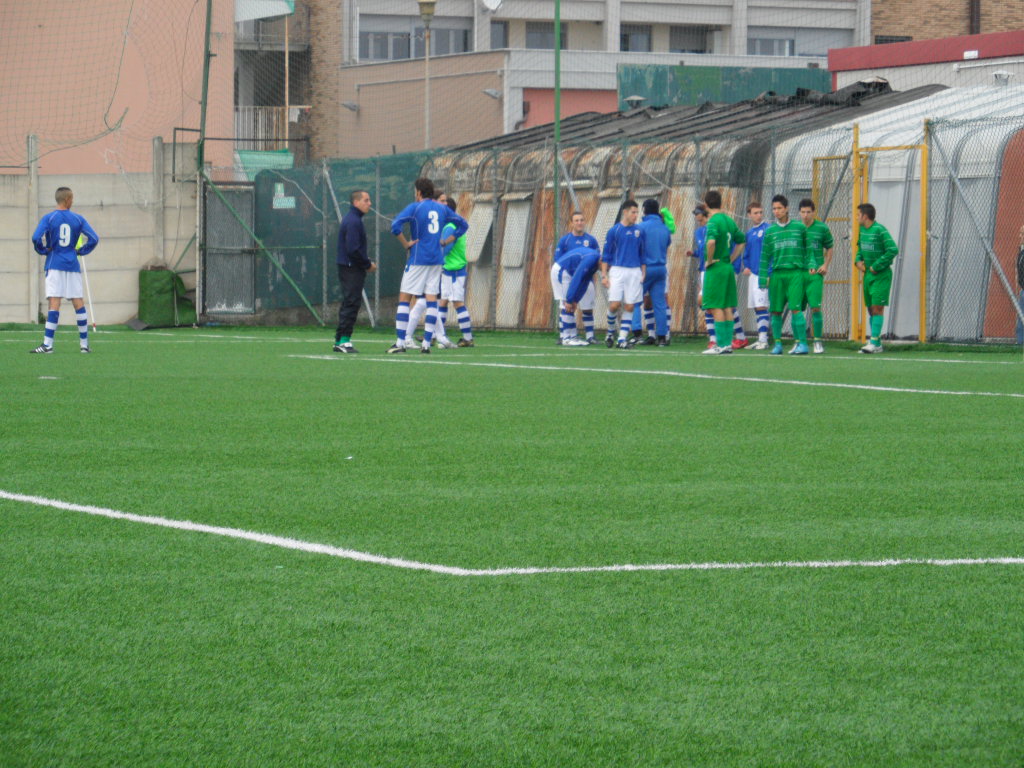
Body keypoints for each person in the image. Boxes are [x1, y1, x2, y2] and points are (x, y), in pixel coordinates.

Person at [388, 178, 468, 354]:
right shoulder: (442, 208)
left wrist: (406, 244)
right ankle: (425, 344)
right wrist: (446, 241)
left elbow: (395, 226)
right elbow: (463, 225)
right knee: (432, 300)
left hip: (418, 258)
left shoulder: (415, 207)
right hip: (436, 260)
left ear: (418, 192)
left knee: (405, 298)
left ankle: (400, 342)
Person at [30, 186, 99, 354]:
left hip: (54, 264)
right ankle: (84, 346)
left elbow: (35, 238)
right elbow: (94, 238)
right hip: (72, 265)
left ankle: (48, 345)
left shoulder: (49, 218)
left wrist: (43, 250)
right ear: (67, 199)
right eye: (72, 199)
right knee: (78, 303)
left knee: (55, 302)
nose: (72, 202)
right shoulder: (78, 219)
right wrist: (81, 251)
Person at [760, 194, 809, 355]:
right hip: (777, 275)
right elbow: (765, 255)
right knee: (775, 311)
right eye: (774, 208)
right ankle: (778, 344)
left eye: (779, 208)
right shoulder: (770, 231)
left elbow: (809, 251)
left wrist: (810, 267)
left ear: (787, 208)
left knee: (796, 309)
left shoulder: (800, 228)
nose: (776, 211)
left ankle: (802, 344)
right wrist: (762, 277)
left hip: (795, 273)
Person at [701, 190, 745, 355]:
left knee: (716, 306)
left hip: (717, 267)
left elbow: (711, 242)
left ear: (706, 205)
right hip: (727, 267)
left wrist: (709, 260)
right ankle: (727, 344)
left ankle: (720, 344)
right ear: (721, 203)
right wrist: (732, 258)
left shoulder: (712, 221)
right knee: (727, 305)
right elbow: (741, 240)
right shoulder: (728, 220)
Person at [332, 189, 377, 354]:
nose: (369, 203)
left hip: (349, 266)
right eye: (366, 200)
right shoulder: (353, 221)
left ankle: (339, 339)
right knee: (352, 302)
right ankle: (344, 340)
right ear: (356, 202)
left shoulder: (354, 219)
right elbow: (353, 249)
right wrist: (367, 264)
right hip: (350, 267)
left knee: (350, 301)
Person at [600, 199, 645, 349]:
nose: (635, 215)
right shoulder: (614, 230)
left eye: (637, 212)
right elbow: (606, 255)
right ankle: (610, 332)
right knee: (614, 305)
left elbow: (643, 254)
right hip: (617, 270)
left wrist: (643, 273)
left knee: (630, 306)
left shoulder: (639, 231)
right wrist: (604, 275)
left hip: (635, 272)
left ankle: (621, 339)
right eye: (633, 212)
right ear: (625, 212)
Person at [855, 202, 898, 354]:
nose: (856, 218)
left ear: (865, 216)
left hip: (881, 275)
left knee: (877, 308)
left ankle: (873, 342)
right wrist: (858, 260)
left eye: (858, 215)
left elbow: (893, 249)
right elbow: (860, 248)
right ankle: (877, 343)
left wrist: (876, 265)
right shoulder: (862, 230)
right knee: (870, 309)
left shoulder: (880, 230)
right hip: (868, 276)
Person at [555, 211, 600, 343]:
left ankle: (590, 336)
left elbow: (597, 259)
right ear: (571, 223)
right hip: (568, 277)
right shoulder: (565, 240)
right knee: (566, 305)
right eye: (576, 220)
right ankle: (565, 335)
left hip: (586, 278)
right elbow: (558, 259)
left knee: (587, 307)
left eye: (581, 220)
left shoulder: (591, 240)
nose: (579, 223)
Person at [631, 199, 671, 346]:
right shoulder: (664, 228)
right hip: (661, 268)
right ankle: (661, 337)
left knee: (635, 300)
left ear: (644, 210)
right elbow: (667, 244)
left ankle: (637, 333)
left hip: (645, 269)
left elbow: (635, 247)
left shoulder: (640, 227)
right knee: (659, 303)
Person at [799, 198, 834, 354]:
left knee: (815, 308)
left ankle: (818, 341)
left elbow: (830, 247)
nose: (806, 215)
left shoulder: (822, 228)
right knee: (796, 309)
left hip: (815, 276)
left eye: (808, 212)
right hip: (799, 274)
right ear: (799, 213)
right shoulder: (795, 228)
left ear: (813, 212)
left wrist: (825, 265)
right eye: (803, 212)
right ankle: (799, 342)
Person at [438, 196, 475, 347]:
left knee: (458, 303)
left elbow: (446, 249)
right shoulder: (452, 225)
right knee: (443, 302)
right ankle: (436, 335)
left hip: (454, 269)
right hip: (449, 269)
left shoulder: (450, 227)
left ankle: (467, 338)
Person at [551, 246, 601, 346]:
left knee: (572, 304)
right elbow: (577, 277)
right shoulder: (591, 259)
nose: (608, 269)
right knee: (567, 304)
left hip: (569, 273)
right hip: (562, 271)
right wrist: (570, 299)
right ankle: (566, 338)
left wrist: (576, 299)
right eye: (608, 266)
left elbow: (585, 281)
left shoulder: (595, 264)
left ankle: (573, 337)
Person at [740, 201, 770, 350]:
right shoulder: (749, 233)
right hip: (753, 275)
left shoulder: (768, 229)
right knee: (757, 307)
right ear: (749, 215)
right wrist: (747, 267)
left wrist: (768, 271)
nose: (759, 215)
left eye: (760, 212)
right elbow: (746, 254)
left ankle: (764, 340)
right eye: (755, 213)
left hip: (764, 274)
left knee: (762, 305)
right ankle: (761, 339)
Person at [686, 205, 715, 348]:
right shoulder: (698, 232)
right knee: (706, 304)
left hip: (714, 269)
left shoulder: (712, 227)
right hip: (703, 270)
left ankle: (735, 336)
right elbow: (703, 250)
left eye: (698, 213)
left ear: (704, 214)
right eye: (695, 213)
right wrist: (694, 253)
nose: (696, 216)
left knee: (707, 302)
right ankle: (713, 339)